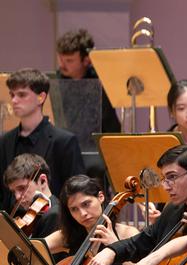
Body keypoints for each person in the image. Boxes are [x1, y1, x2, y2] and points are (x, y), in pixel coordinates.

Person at [84, 145, 187, 265]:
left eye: (172, 177)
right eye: (164, 179)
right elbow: (142, 241)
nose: (165, 187)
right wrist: (111, 251)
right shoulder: (173, 209)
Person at [1, 68, 85, 210]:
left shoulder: (64, 141)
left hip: (53, 223)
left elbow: (76, 192)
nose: (14, 100)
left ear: (41, 97)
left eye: (22, 95)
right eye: (12, 95)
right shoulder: (5, 141)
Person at [55, 29, 121, 135]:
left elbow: (110, 125)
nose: (62, 65)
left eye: (69, 61)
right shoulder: (55, 83)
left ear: (86, 60)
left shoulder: (100, 83)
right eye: (60, 59)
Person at [3, 154, 60, 238]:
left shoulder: (54, 215)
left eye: (22, 188)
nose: (17, 197)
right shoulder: (32, 214)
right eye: (13, 192)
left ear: (43, 181)